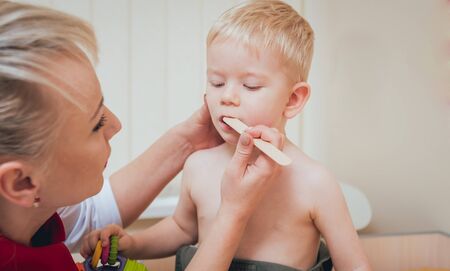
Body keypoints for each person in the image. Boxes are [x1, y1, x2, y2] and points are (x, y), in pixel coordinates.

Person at [82, 1, 372, 271]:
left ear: (293, 99)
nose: (228, 97)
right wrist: (133, 244)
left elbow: (354, 266)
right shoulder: (198, 165)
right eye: (217, 82)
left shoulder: (314, 182)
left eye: (250, 85)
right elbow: (182, 229)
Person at [0, 1, 285, 270]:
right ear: (22, 182)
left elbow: (84, 217)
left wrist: (188, 141)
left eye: (249, 85)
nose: (116, 125)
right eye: (97, 123)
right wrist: (234, 211)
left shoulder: (28, 215)